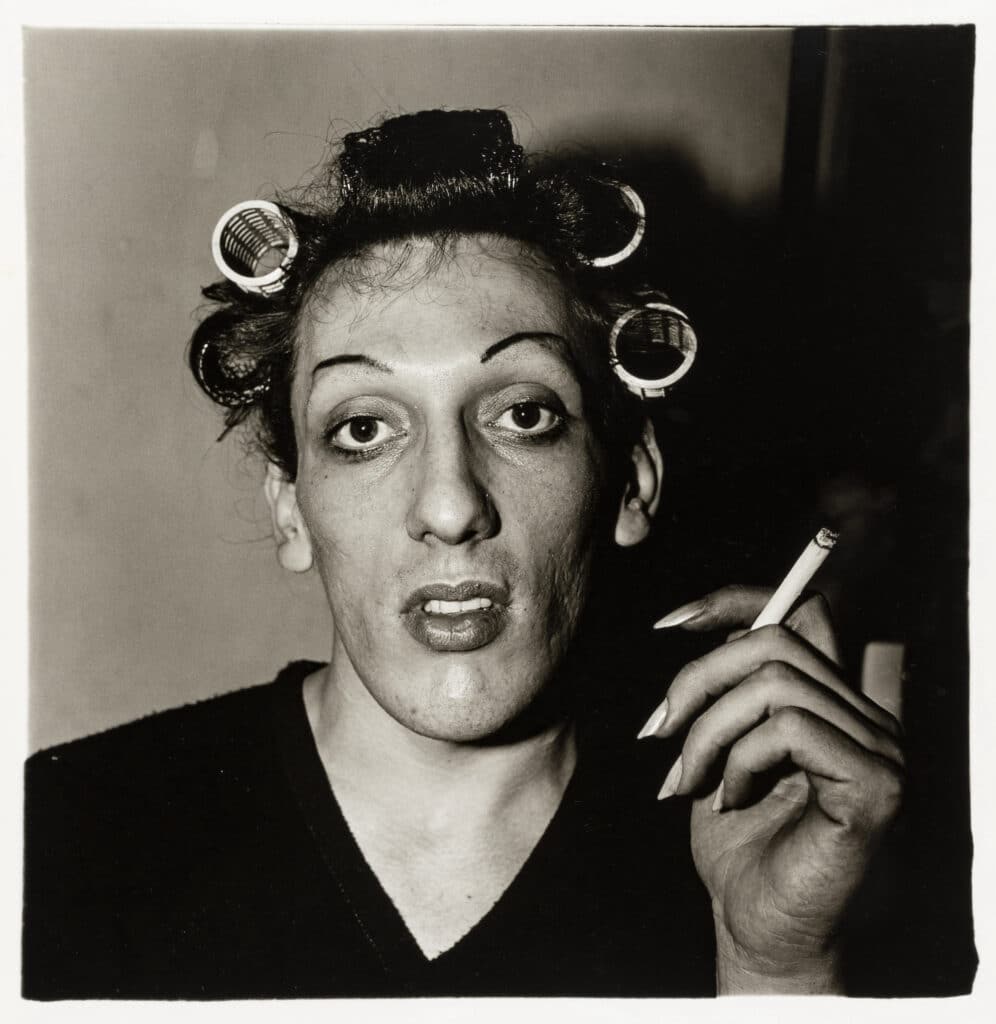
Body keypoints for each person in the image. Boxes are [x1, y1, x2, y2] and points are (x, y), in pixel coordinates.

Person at [22, 109, 903, 999]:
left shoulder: (768, 851)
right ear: (290, 508)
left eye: (524, 415)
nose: (449, 506)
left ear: (630, 483)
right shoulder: (61, 839)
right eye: (363, 428)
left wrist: (778, 967)